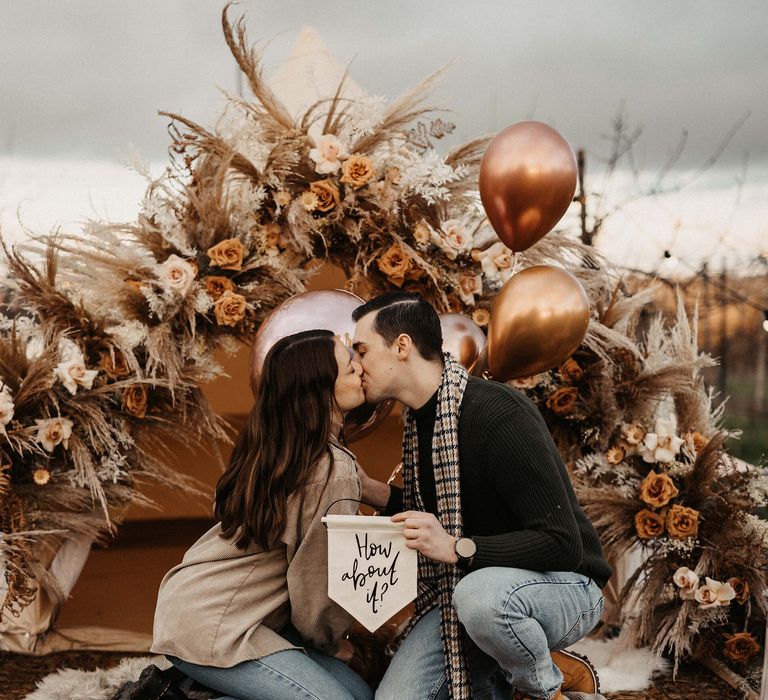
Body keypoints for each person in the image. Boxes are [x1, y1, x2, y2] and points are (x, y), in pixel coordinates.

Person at [350, 291, 612, 700]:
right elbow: (445, 517)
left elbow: (562, 542)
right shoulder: (422, 424)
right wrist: (375, 493)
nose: (356, 364)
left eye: (362, 350)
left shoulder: (495, 413)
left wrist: (458, 547)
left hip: (564, 586)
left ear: (401, 346)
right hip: (473, 593)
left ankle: (545, 686)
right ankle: (507, 658)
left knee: (480, 597)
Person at [151, 329, 373, 700]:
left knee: (360, 694)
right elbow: (314, 581)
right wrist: (333, 644)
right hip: (215, 627)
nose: (362, 372)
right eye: (351, 369)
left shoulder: (282, 445)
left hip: (201, 606)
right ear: (321, 390)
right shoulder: (332, 469)